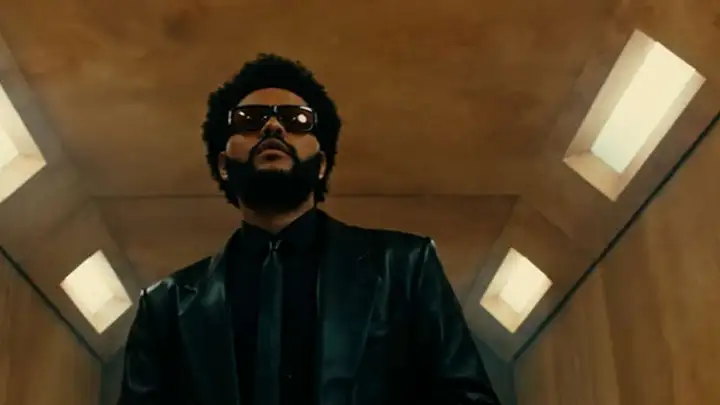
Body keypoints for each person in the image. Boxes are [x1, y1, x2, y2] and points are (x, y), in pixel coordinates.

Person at [118, 53, 500, 405]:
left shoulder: (406, 267)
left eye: (296, 120)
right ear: (222, 165)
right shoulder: (165, 306)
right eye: (248, 120)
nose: (272, 126)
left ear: (321, 164)